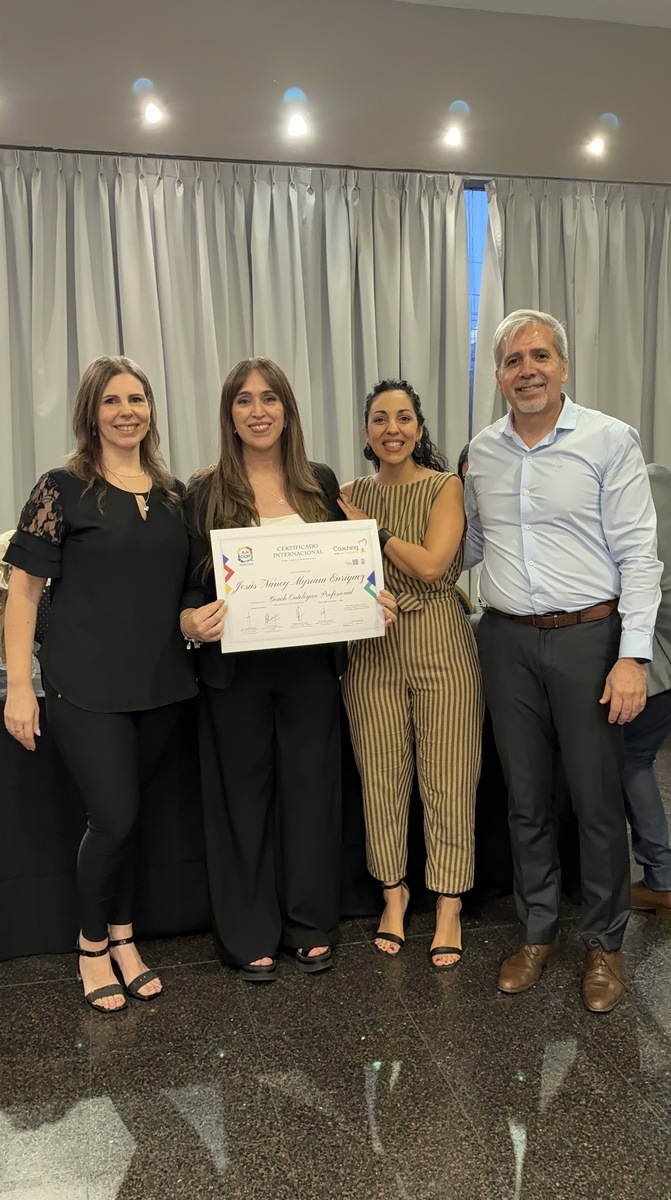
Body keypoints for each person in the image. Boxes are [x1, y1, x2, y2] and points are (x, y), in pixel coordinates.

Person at [464, 309, 663, 1013]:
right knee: (524, 798)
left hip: (589, 639)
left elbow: (640, 556)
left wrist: (632, 657)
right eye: (513, 360)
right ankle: (537, 930)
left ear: (563, 366)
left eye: (539, 356)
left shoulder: (609, 440)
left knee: (595, 799)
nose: (527, 370)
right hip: (506, 640)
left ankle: (604, 944)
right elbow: (470, 546)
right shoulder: (480, 452)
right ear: (498, 377)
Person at [179, 356, 395, 982]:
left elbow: (348, 568)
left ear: (287, 410)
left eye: (269, 398)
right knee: (240, 804)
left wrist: (372, 600)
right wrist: (190, 621)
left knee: (310, 796)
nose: (258, 411)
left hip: (308, 669)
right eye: (244, 400)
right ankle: (248, 935)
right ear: (230, 415)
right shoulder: (204, 491)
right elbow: (186, 588)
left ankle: (309, 924)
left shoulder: (318, 483)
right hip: (233, 674)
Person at [3, 356, 197, 1013]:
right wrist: (20, 686)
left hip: (163, 685)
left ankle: (124, 938)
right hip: (84, 685)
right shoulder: (61, 488)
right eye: (111, 400)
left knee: (131, 820)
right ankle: (92, 949)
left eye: (136, 399)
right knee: (111, 818)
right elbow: (23, 594)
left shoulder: (173, 495)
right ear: (91, 413)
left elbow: (188, 587)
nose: (125, 412)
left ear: (151, 410)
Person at [338, 379, 483, 970]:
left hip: (440, 639)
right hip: (372, 648)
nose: (391, 428)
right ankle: (393, 894)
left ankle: (449, 904)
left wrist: (372, 529)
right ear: (367, 431)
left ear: (419, 429)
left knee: (450, 776)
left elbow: (430, 565)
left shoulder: (445, 486)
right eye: (380, 418)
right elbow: (335, 576)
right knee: (380, 776)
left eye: (403, 417)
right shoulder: (347, 493)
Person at [624, 464, 671, 917]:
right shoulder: (661, 479)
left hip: (658, 661)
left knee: (632, 762)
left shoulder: (633, 499)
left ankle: (662, 878)